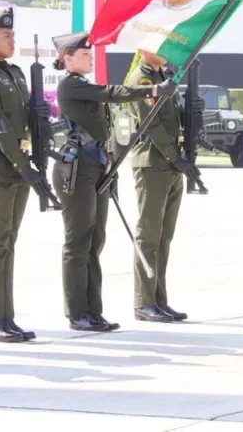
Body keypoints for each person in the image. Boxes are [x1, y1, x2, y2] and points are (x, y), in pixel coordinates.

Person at [51, 32, 174, 332]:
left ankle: (93, 310)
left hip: (96, 165)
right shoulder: (71, 85)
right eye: (84, 53)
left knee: (95, 241)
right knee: (78, 242)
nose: (90, 56)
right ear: (67, 59)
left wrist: (111, 165)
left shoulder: (84, 85)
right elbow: (113, 93)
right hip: (77, 169)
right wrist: (153, 90)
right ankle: (77, 311)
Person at [0, 7, 53, 343]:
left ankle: (6, 316)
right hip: (1, 168)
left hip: (20, 164)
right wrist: (23, 166)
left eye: (13, 33)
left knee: (8, 243)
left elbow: (23, 117)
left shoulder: (17, 73)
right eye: (6, 35)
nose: (12, 38)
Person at [125, 49, 199, 323]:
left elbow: (172, 119)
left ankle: (159, 299)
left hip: (170, 163)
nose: (166, 51)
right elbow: (150, 124)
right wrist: (174, 156)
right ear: (145, 50)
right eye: (160, 46)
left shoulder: (164, 76)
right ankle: (144, 302)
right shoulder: (141, 81)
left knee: (164, 236)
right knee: (149, 235)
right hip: (153, 163)